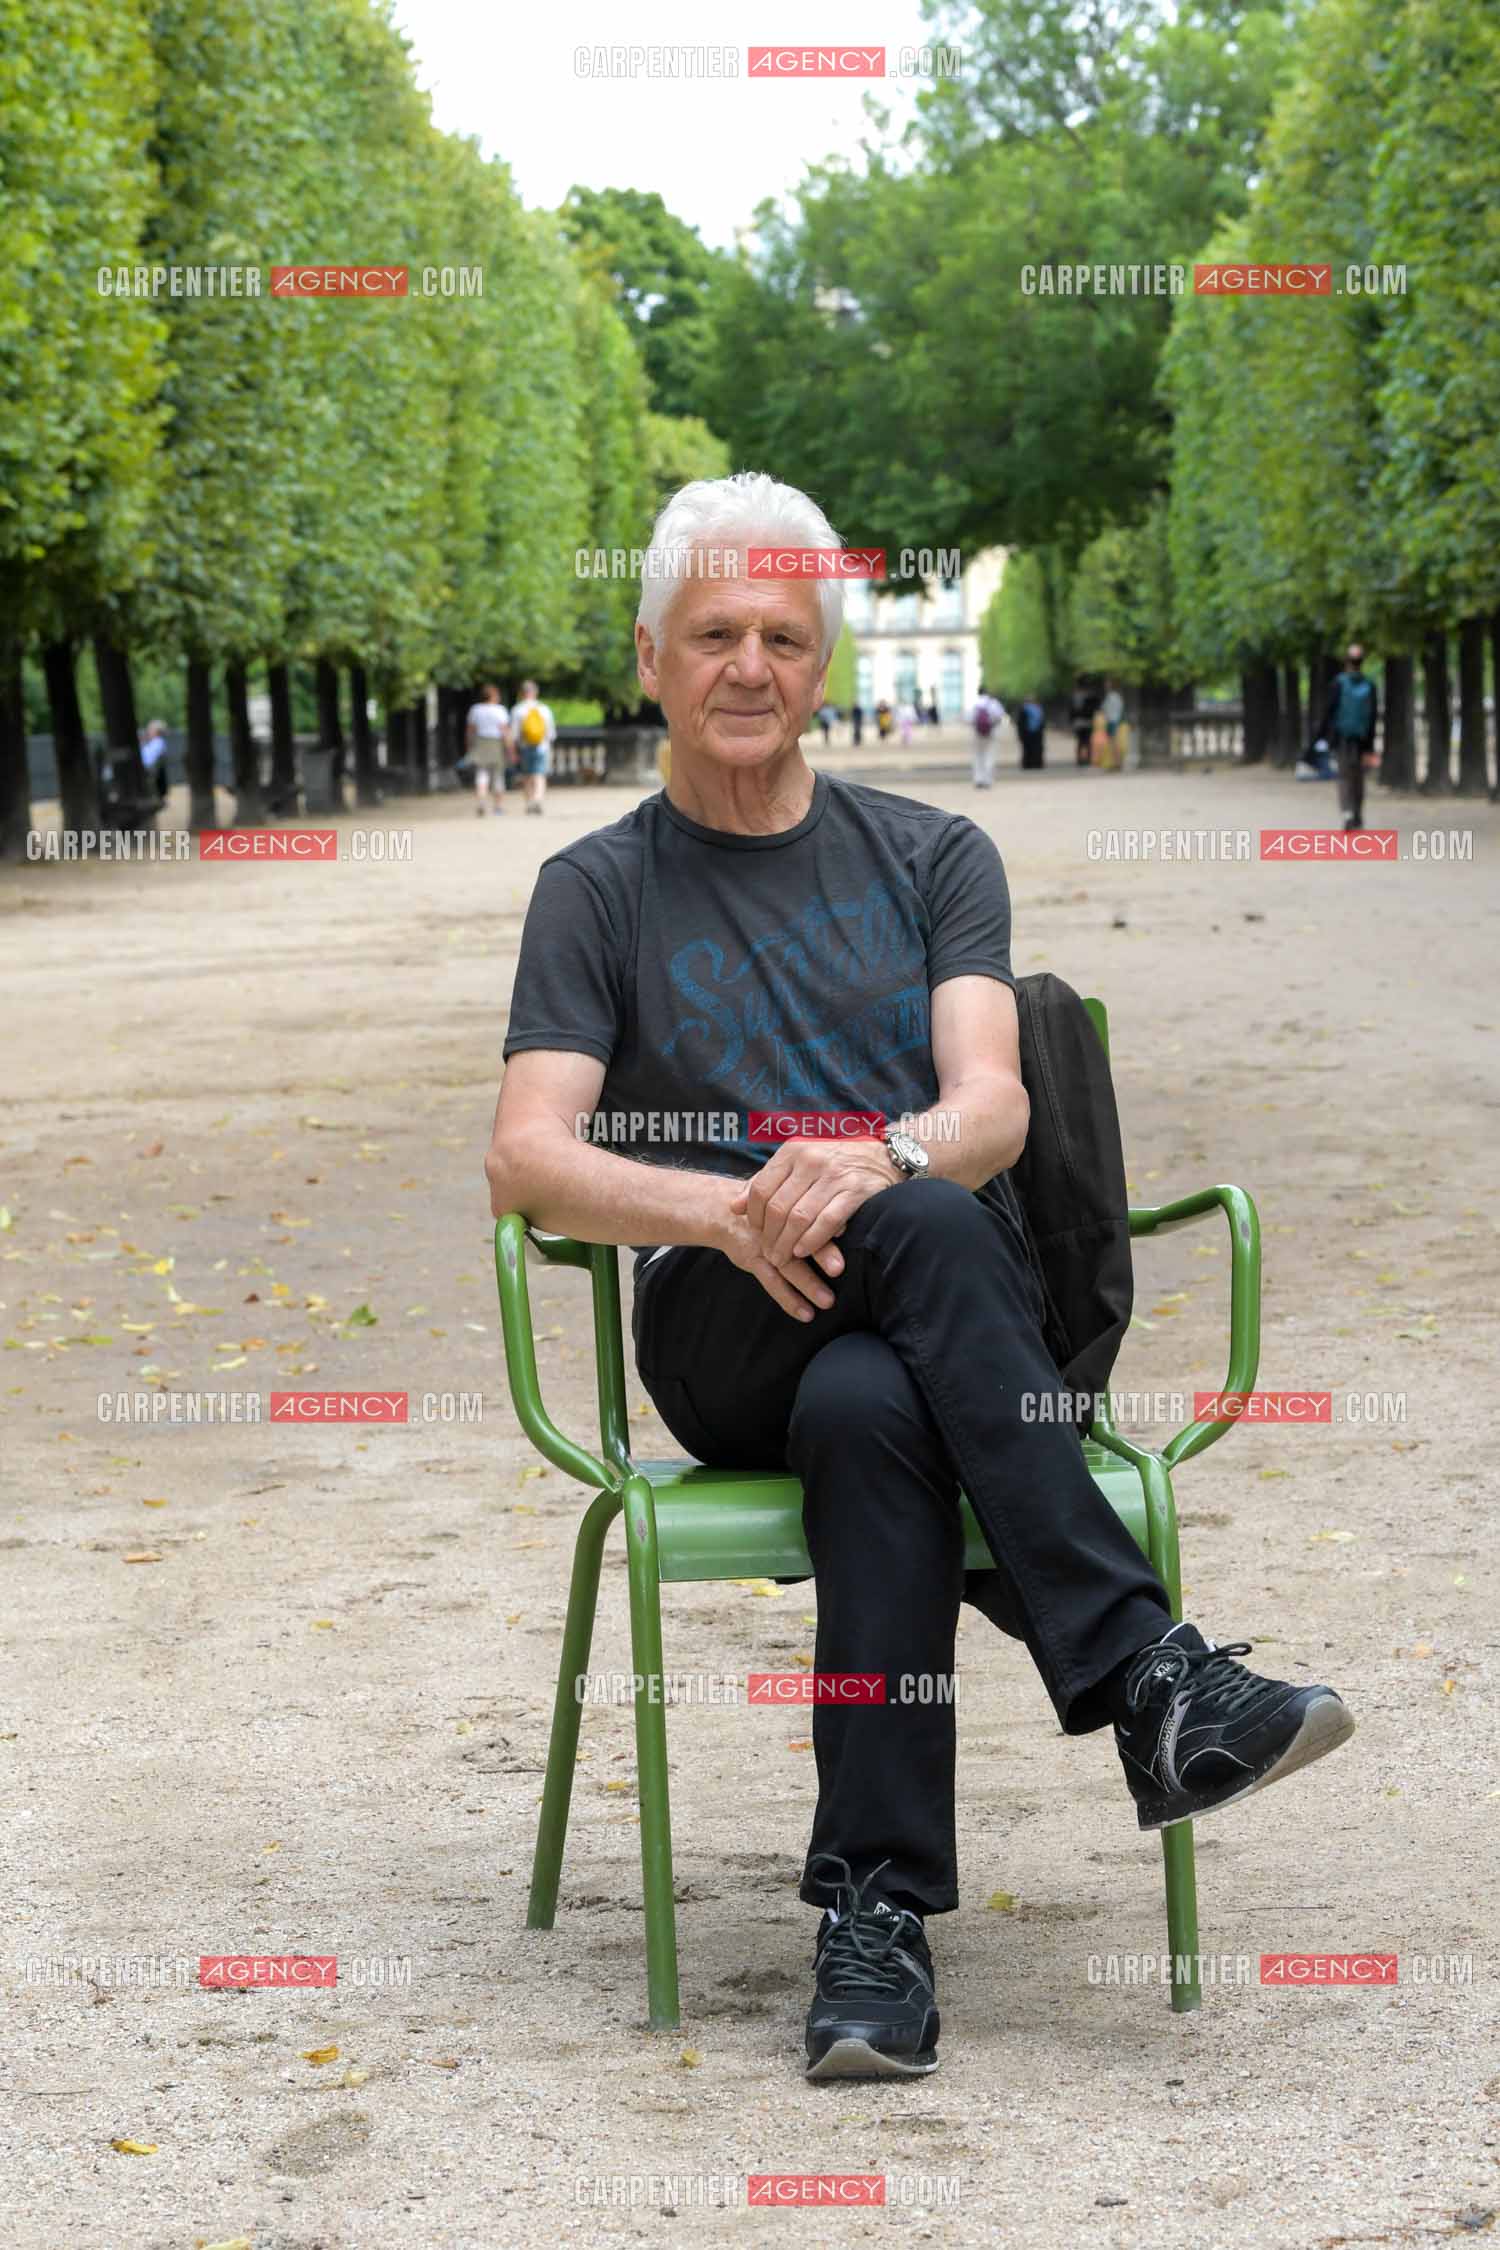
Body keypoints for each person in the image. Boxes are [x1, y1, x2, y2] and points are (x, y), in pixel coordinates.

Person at [486, 470, 1355, 2084]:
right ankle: (1147, 1671)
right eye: (714, 634)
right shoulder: (594, 890)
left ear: (826, 660)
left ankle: (873, 1930)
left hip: (910, 1328)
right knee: (916, 1240)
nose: (750, 665)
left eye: (784, 636)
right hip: (718, 1316)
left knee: (879, 1394)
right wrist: (731, 1208)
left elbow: (991, 1104)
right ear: (651, 656)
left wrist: (880, 1158)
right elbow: (525, 1157)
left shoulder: (937, 854)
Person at [1317, 644, 1379, 831]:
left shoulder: (1338, 683)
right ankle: (1358, 814)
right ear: (1362, 662)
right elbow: (1373, 716)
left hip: (1342, 737)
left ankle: (1347, 813)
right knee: (1358, 777)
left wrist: (1323, 737)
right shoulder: (1370, 685)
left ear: (1346, 661)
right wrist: (1370, 744)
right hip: (1362, 738)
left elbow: (1329, 712)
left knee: (1344, 776)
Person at [510, 678, 556, 815]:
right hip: (542, 746)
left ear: (522, 693)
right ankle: (538, 799)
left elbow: (514, 733)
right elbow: (551, 733)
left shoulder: (517, 710)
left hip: (525, 746)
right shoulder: (544, 709)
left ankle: (529, 802)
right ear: (535, 692)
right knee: (540, 775)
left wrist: (513, 749)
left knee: (527, 776)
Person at [465, 683, 511, 816]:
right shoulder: (500, 710)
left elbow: (470, 730)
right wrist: (510, 748)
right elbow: (504, 731)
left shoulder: (476, 709)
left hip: (480, 742)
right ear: (493, 696)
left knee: (481, 774)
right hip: (496, 743)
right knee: (498, 776)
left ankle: (481, 802)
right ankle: (498, 807)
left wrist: (469, 746)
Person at [970, 684, 1004, 789]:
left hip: (977, 733)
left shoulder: (975, 703)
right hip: (991, 732)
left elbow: (969, 718)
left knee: (978, 756)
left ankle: (978, 779)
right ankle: (988, 780)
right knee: (990, 755)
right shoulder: (993, 703)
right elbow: (1000, 716)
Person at [1096, 679, 1126, 773]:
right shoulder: (1115, 696)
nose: (1106, 685)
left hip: (1112, 721)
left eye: (1107, 684)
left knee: (1113, 743)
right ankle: (1116, 763)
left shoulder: (1112, 696)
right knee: (1113, 743)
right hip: (1113, 720)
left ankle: (1117, 763)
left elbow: (1104, 708)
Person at [1070, 676, 1099, 766]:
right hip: (1087, 721)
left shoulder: (1076, 695)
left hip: (1079, 721)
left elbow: (1072, 710)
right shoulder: (1090, 695)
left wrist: (1072, 721)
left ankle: (1080, 759)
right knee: (1087, 741)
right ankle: (1087, 759)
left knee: (1081, 741)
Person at [139, 719, 169, 802]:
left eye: (150, 729)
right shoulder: (153, 743)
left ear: (156, 732)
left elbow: (147, 761)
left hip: (148, 773)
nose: (148, 731)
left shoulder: (157, 743)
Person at [1015, 695, 1046, 771]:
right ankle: (1037, 763)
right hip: (1037, 733)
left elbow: (1020, 723)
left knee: (1027, 748)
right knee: (1037, 748)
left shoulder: (1023, 709)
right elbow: (1042, 722)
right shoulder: (1038, 709)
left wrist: (1020, 734)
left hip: (1026, 733)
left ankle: (1027, 764)